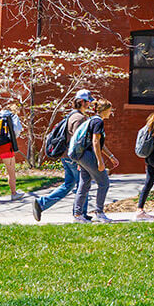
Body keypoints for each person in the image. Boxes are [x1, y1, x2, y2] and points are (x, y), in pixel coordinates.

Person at [32, 89, 91, 219]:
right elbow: (78, 141)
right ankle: (80, 213)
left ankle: (41, 204)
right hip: (74, 158)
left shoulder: (71, 115)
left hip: (66, 156)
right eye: (88, 102)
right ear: (81, 102)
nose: (89, 104)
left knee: (69, 185)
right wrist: (80, 160)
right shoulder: (79, 118)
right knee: (83, 184)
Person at [66, 97, 113, 224]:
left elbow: (99, 143)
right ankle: (99, 212)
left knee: (84, 183)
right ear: (104, 110)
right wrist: (100, 161)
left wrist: (111, 157)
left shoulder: (92, 120)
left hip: (81, 155)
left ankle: (78, 214)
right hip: (88, 155)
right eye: (110, 110)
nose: (111, 112)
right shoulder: (98, 122)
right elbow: (95, 142)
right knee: (104, 182)